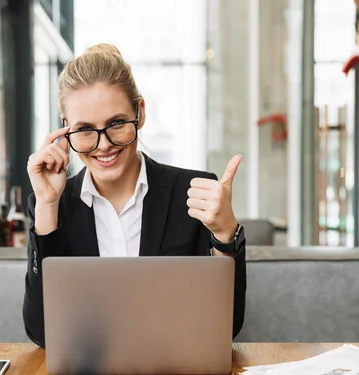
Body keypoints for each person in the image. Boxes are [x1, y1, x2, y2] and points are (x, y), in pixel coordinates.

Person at [23, 44, 246, 348]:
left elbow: (226, 327)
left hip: (175, 374)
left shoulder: (194, 194)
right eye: (85, 129)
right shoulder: (52, 203)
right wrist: (48, 207)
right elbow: (42, 333)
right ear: (65, 130)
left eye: (116, 123)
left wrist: (224, 234)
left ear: (139, 113)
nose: (103, 145)